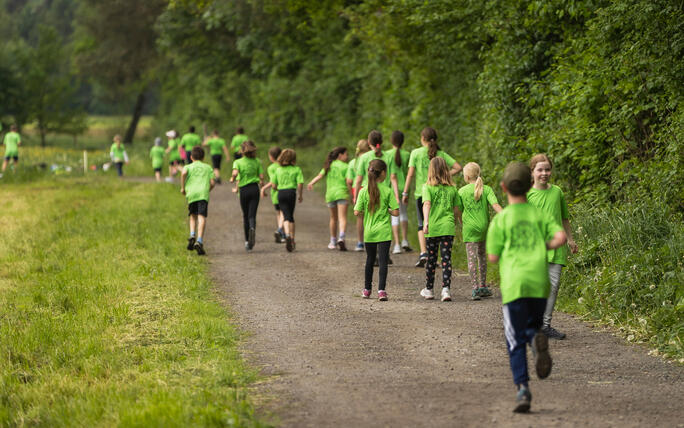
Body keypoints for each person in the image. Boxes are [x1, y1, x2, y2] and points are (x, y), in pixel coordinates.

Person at [486, 161, 566, 413]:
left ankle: (522, 388)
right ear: (530, 183)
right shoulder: (538, 214)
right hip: (539, 282)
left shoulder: (501, 220)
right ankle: (537, 337)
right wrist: (542, 247)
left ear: (503, 187)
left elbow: (493, 257)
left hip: (514, 285)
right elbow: (560, 236)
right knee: (533, 324)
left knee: (514, 339)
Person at [526, 154, 578, 340]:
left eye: (547, 169)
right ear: (532, 172)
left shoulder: (557, 192)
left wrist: (571, 239)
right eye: (540, 170)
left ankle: (545, 326)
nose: (544, 173)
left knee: (553, 286)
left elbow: (564, 218)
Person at [402, 127, 461, 268]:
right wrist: (444, 176)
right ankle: (436, 256)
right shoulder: (440, 154)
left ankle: (424, 253)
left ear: (422, 138)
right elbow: (458, 167)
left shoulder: (415, 153)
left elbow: (410, 174)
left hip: (421, 193)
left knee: (422, 223)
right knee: (436, 222)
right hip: (439, 191)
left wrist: (405, 192)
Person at [354, 159, 399, 301]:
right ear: (383, 173)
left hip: (369, 232)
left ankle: (367, 290)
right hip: (384, 232)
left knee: (370, 260)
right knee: (383, 261)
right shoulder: (387, 191)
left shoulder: (363, 191)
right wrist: (388, 210)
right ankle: (381, 291)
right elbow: (396, 212)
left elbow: (356, 212)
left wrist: (366, 213)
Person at [457, 162, 503, 300]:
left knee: (472, 258)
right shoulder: (486, 189)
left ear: (466, 176)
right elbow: (495, 205)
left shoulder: (461, 191)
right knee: (482, 256)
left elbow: (458, 211)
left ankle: (475, 288)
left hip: (469, 228)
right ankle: (483, 286)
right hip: (484, 227)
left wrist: (460, 222)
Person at [419, 157, 462, 302]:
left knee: (431, 259)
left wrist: (425, 222)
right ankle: (446, 290)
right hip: (448, 228)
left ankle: (429, 290)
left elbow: (426, 205)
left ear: (431, 170)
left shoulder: (427, 187)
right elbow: (456, 210)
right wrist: (456, 223)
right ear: (446, 170)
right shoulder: (452, 188)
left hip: (433, 227)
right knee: (446, 259)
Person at [354, 130, 398, 264]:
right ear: (382, 142)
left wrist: (356, 196)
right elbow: (393, 177)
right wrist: (396, 193)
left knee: (366, 218)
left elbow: (359, 178)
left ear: (369, 143)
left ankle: (362, 243)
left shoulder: (364, 157)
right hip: (385, 191)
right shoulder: (388, 156)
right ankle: (383, 253)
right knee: (384, 218)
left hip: (367, 191)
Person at [308, 147, 352, 250]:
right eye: (346, 154)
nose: (347, 156)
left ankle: (332, 241)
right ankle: (341, 237)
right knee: (342, 218)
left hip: (330, 195)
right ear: (340, 155)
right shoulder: (346, 166)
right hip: (342, 193)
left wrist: (311, 183)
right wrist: (352, 194)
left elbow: (319, 176)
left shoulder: (329, 165)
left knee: (333, 218)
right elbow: (348, 181)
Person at [265, 149, 303, 252]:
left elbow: (273, 185)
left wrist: (278, 189)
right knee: (290, 216)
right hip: (291, 193)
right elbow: (300, 183)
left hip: (281, 193)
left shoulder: (278, 170)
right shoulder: (296, 169)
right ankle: (292, 239)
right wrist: (300, 194)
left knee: (285, 216)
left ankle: (286, 235)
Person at [181, 146, 216, 255]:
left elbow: (183, 173)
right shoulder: (208, 167)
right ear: (203, 157)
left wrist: (183, 187)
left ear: (191, 157)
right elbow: (213, 183)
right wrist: (207, 190)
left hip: (191, 193)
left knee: (192, 216)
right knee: (201, 217)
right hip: (202, 194)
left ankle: (192, 234)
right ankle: (199, 241)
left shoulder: (188, 166)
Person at [230, 140, 264, 251]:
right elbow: (262, 177)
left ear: (242, 151)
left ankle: (247, 242)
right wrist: (262, 185)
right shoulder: (257, 161)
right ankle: (252, 228)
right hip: (254, 189)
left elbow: (235, 173)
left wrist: (232, 178)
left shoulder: (238, 162)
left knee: (245, 215)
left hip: (243, 190)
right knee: (252, 215)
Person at [387, 130, 412, 254]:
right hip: (405, 188)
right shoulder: (407, 154)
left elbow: (392, 176)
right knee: (403, 214)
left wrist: (395, 195)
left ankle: (396, 244)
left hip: (392, 189)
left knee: (394, 217)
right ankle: (405, 240)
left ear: (391, 140)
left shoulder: (387, 155)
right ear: (403, 141)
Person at [347, 139, 371, 251]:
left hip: (357, 189)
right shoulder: (371, 158)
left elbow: (350, 181)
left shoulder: (353, 162)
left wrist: (353, 195)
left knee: (360, 218)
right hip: (370, 187)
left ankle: (360, 242)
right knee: (372, 216)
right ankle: (371, 241)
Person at [261, 146, 285, 243]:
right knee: (284, 212)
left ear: (271, 157)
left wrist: (264, 187)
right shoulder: (284, 165)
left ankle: (281, 232)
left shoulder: (271, 168)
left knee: (279, 213)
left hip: (275, 193)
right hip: (284, 190)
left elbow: (273, 182)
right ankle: (281, 230)